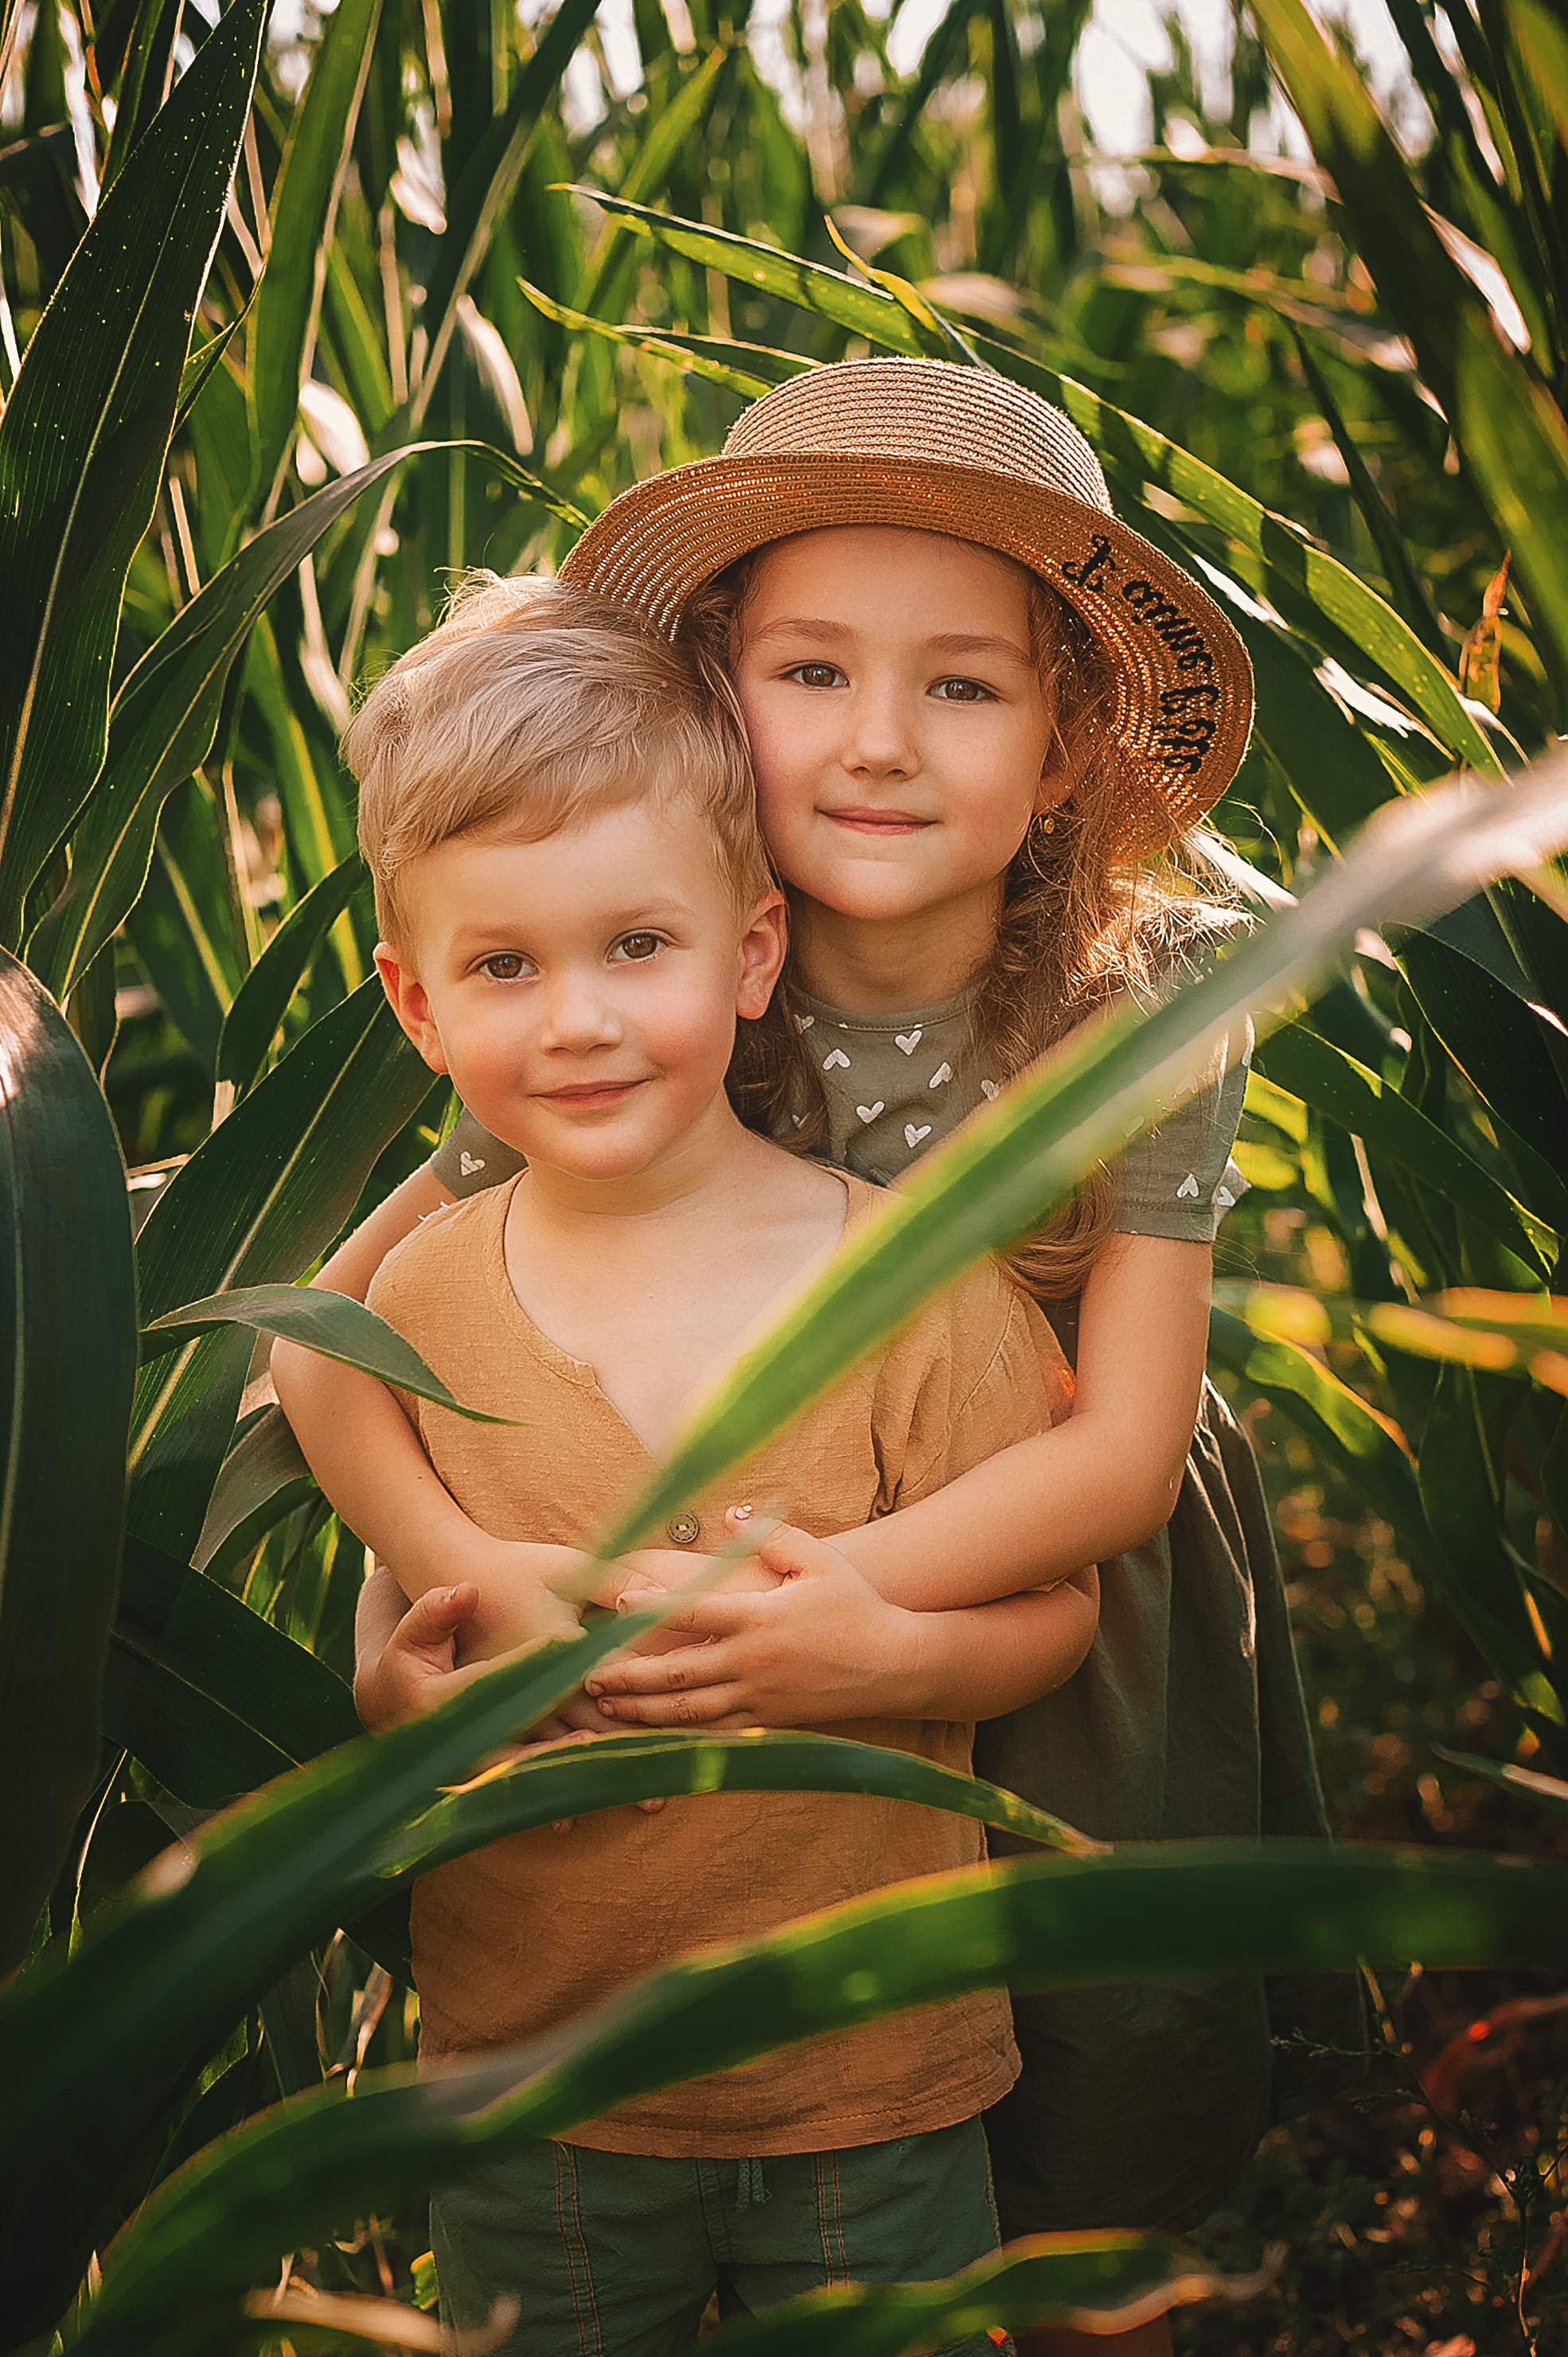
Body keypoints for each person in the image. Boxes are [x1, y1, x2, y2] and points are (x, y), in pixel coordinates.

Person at [275, 359, 1362, 2357]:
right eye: (809, 674)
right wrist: (455, 1571)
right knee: (777, 2050)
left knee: (1087, 2076)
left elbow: (1118, 1454)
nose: (877, 742)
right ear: (717, 694)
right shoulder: (650, 965)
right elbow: (335, 1348)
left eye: (961, 683)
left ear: (1061, 750)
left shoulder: (1146, 998)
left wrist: (864, 1629)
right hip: (725, 1593)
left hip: (1055, 1593)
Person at [321, 571, 1100, 2357]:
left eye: (636, 946)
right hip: (536, 2076)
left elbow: (1050, 1615)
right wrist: (428, 1620)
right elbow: (342, 1439)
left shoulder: (907, 1284)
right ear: (417, 1004)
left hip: (868, 2063)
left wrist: (892, 1655)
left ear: (751, 951)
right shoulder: (430, 1290)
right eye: (503, 966)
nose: (577, 1018)